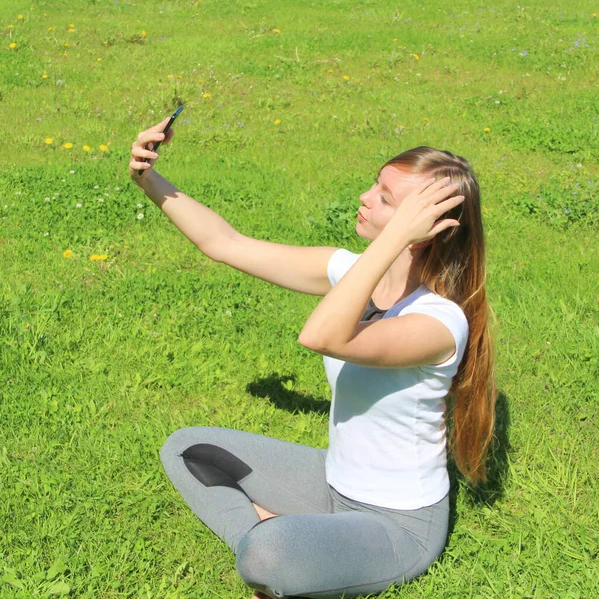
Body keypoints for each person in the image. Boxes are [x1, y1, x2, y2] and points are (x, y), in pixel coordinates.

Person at [128, 117, 496, 599]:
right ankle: (290, 542)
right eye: (375, 184)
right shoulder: (351, 272)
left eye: (385, 199)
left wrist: (395, 238)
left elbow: (323, 335)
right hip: (331, 485)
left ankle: (279, 547)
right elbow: (225, 244)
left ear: (421, 231)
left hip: (398, 525)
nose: (364, 197)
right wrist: (147, 178)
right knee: (187, 448)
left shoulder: (438, 323)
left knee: (268, 554)